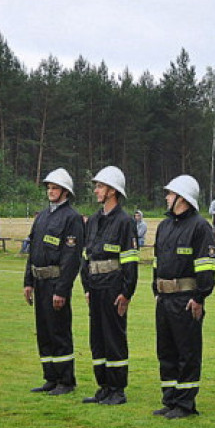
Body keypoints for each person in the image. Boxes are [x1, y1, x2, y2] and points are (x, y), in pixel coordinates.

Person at [151, 175, 215, 419]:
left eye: (170, 193)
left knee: (187, 351)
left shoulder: (200, 227)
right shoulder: (164, 226)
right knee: (166, 351)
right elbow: (157, 262)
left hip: (187, 299)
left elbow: (206, 267)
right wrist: (156, 291)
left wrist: (199, 297)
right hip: (165, 299)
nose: (166, 197)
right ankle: (170, 399)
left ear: (182, 198)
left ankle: (185, 404)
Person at [80, 166, 139, 406]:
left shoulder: (125, 222)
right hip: (94, 288)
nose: (96, 190)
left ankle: (117, 389)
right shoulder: (93, 220)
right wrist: (86, 286)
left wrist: (126, 293)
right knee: (97, 339)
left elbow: (130, 262)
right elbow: (86, 256)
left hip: (114, 289)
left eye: (100, 186)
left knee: (114, 337)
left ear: (113, 191)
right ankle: (103, 386)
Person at [23, 169, 84, 395]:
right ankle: (50, 376)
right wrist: (28, 281)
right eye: (49, 187)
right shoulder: (42, 217)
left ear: (65, 191)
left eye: (55, 188)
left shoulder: (72, 218)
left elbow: (72, 258)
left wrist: (62, 290)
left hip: (55, 282)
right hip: (39, 282)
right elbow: (33, 251)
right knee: (44, 332)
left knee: (59, 332)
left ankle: (65, 381)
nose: (51, 191)